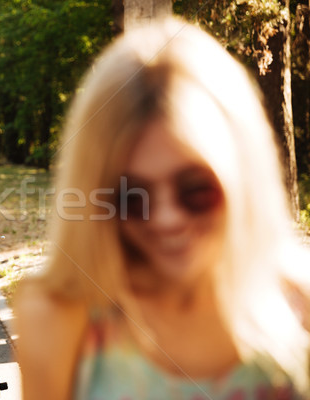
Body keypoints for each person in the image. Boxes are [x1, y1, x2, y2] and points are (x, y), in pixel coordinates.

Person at [15, 18, 310, 400]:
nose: (166, 218)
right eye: (130, 196)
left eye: (195, 189)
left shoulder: (299, 305)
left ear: (242, 177)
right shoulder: (58, 319)